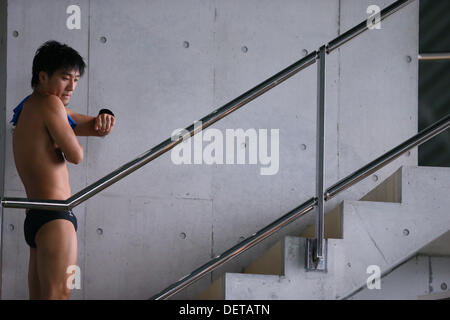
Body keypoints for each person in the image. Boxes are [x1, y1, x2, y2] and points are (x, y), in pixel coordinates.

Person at [11, 40, 116, 299]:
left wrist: (105, 114)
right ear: (43, 76)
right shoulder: (50, 105)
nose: (71, 87)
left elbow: (94, 127)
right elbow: (76, 155)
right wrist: (63, 138)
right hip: (56, 217)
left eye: (76, 79)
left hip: (35, 218)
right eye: (65, 78)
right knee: (59, 295)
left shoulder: (27, 108)